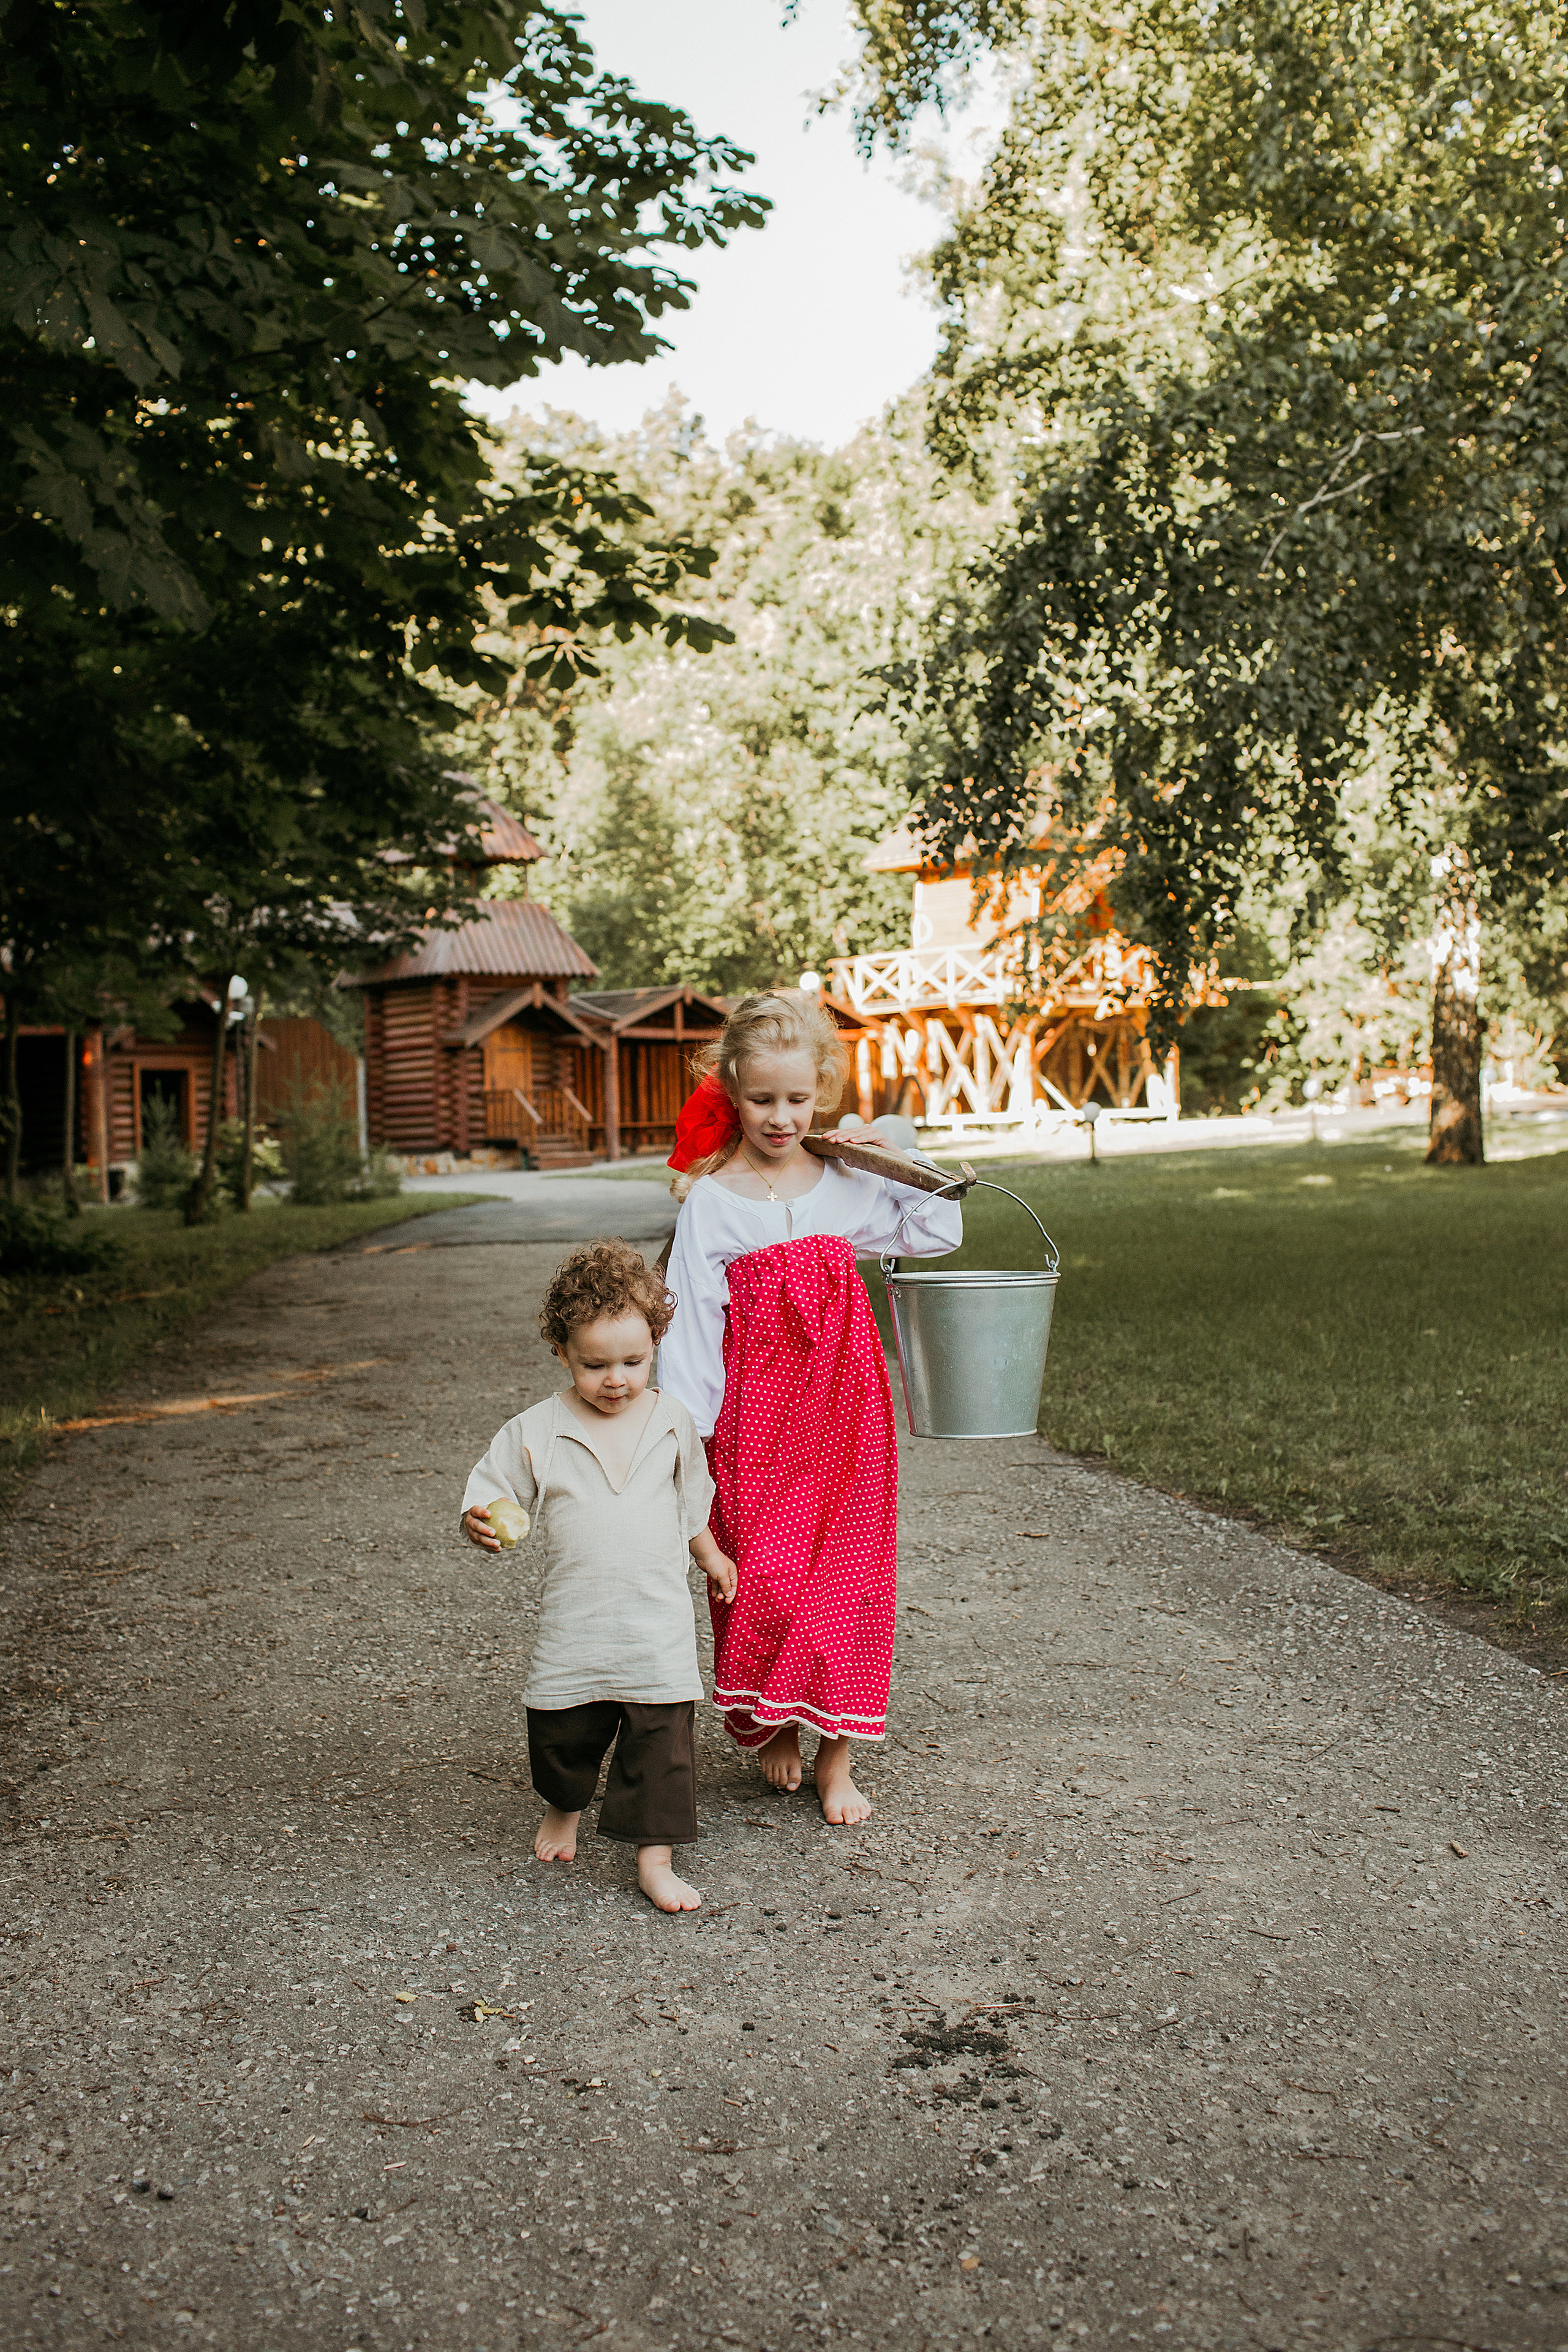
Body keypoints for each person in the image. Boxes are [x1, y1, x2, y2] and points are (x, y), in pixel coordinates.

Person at [658, 991, 963, 1826]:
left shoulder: (846, 1184)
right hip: (756, 1421)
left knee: (847, 1578)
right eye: (762, 1100)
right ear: (732, 1093)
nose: (782, 1117)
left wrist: (891, 1151)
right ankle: (770, 1720)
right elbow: (689, 1322)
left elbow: (939, 1231)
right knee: (762, 1570)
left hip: (845, 1414)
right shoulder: (713, 1200)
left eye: (798, 1099)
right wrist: (691, 1435)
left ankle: (838, 1753)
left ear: (821, 1091)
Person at [460, 1241, 737, 1914]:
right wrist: (481, 1519)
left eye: (634, 1362)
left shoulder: (670, 1420)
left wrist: (709, 1552)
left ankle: (655, 1857)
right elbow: (492, 1490)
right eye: (595, 1364)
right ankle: (564, 1802)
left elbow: (689, 1499)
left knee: (662, 1745)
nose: (617, 1379)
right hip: (577, 1622)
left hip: (656, 1622)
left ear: (656, 1344)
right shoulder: (537, 1429)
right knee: (562, 1734)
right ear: (562, 1352)